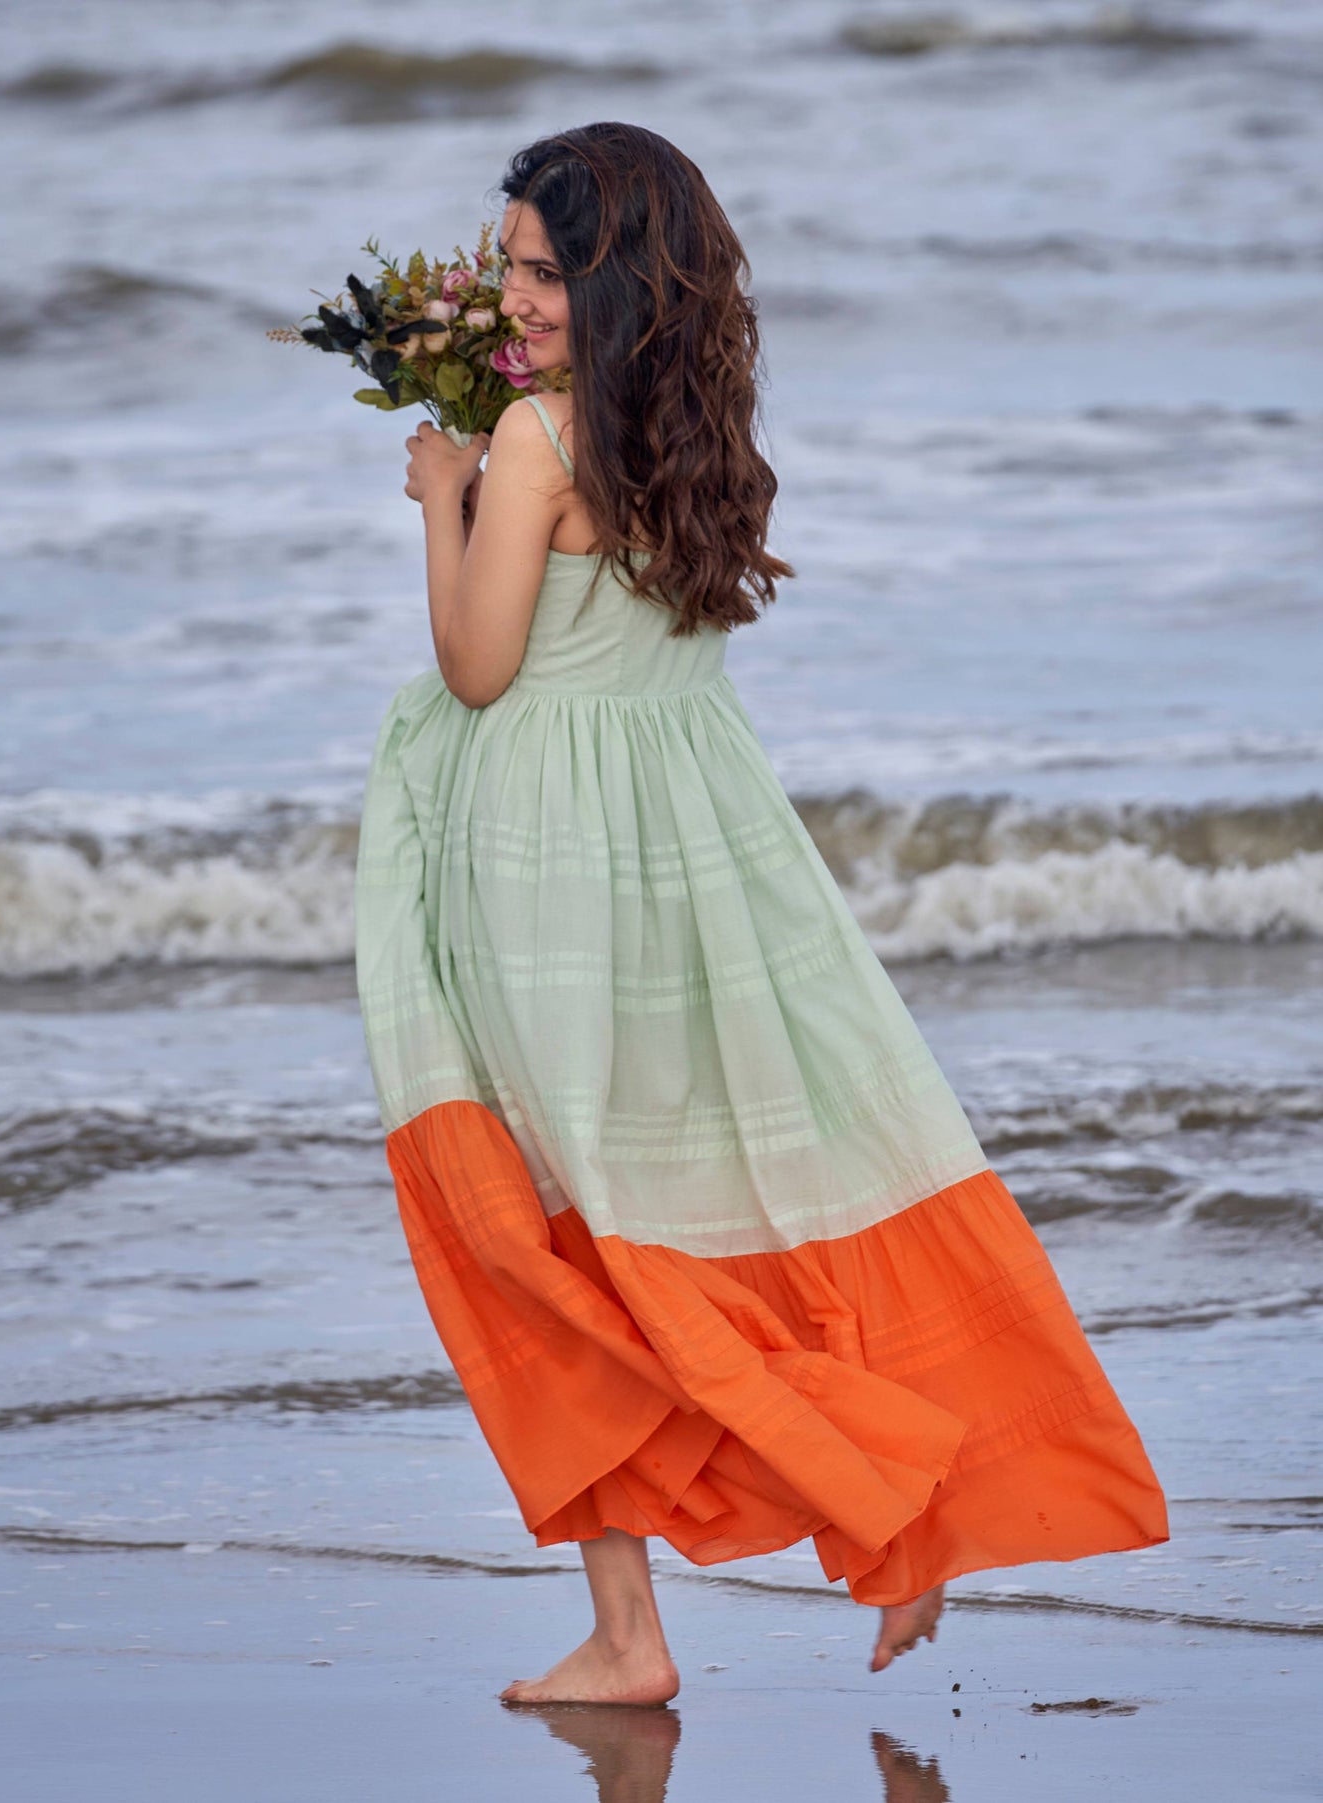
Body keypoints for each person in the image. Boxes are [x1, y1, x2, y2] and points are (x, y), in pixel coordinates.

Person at [353, 121, 1168, 1708]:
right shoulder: (693, 428)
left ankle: (661, 1614)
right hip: (695, 856)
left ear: (609, 281)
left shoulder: (527, 445)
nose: (511, 298)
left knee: (552, 1242)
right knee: (711, 1203)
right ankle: (880, 1514)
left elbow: (477, 665)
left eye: (538, 272)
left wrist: (437, 497)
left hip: (544, 878)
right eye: (504, 267)